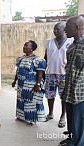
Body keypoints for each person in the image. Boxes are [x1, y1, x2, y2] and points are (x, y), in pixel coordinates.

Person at [60, 15, 84, 146]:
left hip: (80, 92)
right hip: (70, 88)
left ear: (77, 27)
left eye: (67, 26)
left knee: (79, 119)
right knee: (71, 116)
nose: (65, 30)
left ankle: (77, 143)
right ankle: (71, 138)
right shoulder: (71, 46)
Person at [44, 22, 74, 128]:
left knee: (64, 97)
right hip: (51, 73)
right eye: (54, 29)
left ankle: (62, 116)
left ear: (64, 30)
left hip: (64, 75)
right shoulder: (49, 42)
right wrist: (44, 70)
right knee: (49, 95)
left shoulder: (71, 41)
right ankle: (51, 113)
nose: (55, 31)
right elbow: (46, 56)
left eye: (57, 29)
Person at [12, 40, 46, 126]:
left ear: (32, 49)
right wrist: (14, 80)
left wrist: (38, 84)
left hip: (30, 84)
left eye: (26, 46)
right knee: (21, 100)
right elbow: (18, 71)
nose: (24, 47)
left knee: (30, 102)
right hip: (21, 84)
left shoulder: (38, 60)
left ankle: (31, 120)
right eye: (24, 45)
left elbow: (40, 73)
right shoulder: (21, 59)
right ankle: (21, 116)